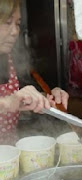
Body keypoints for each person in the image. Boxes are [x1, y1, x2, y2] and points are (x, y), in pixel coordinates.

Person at [0, 0, 69, 144]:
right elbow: (9, 101)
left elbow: (18, 99)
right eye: (7, 22)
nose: (14, 32)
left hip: (10, 154)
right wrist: (7, 102)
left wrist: (45, 98)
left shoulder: (10, 58)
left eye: (17, 24)